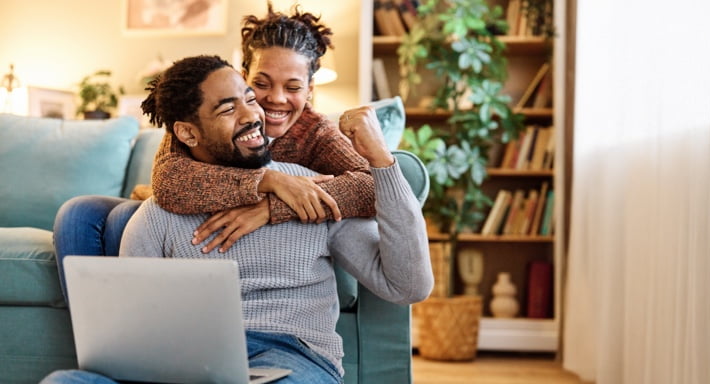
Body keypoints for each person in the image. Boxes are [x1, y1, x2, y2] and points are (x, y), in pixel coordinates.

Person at [42, 55, 432, 384]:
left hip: (292, 359)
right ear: (187, 133)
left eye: (249, 99)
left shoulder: (311, 192)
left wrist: (382, 161)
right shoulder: (160, 213)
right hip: (189, 365)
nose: (254, 114)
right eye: (228, 108)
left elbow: (407, 286)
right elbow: (133, 335)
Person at [54, 3, 379, 299]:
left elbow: (373, 188)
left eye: (292, 88)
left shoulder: (316, 132)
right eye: (261, 85)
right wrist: (270, 181)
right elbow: (169, 181)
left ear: (310, 90)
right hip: (181, 209)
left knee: (126, 218)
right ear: (243, 77)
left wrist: (272, 208)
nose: (276, 99)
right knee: (79, 213)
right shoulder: (207, 117)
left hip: (214, 231)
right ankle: (98, 334)